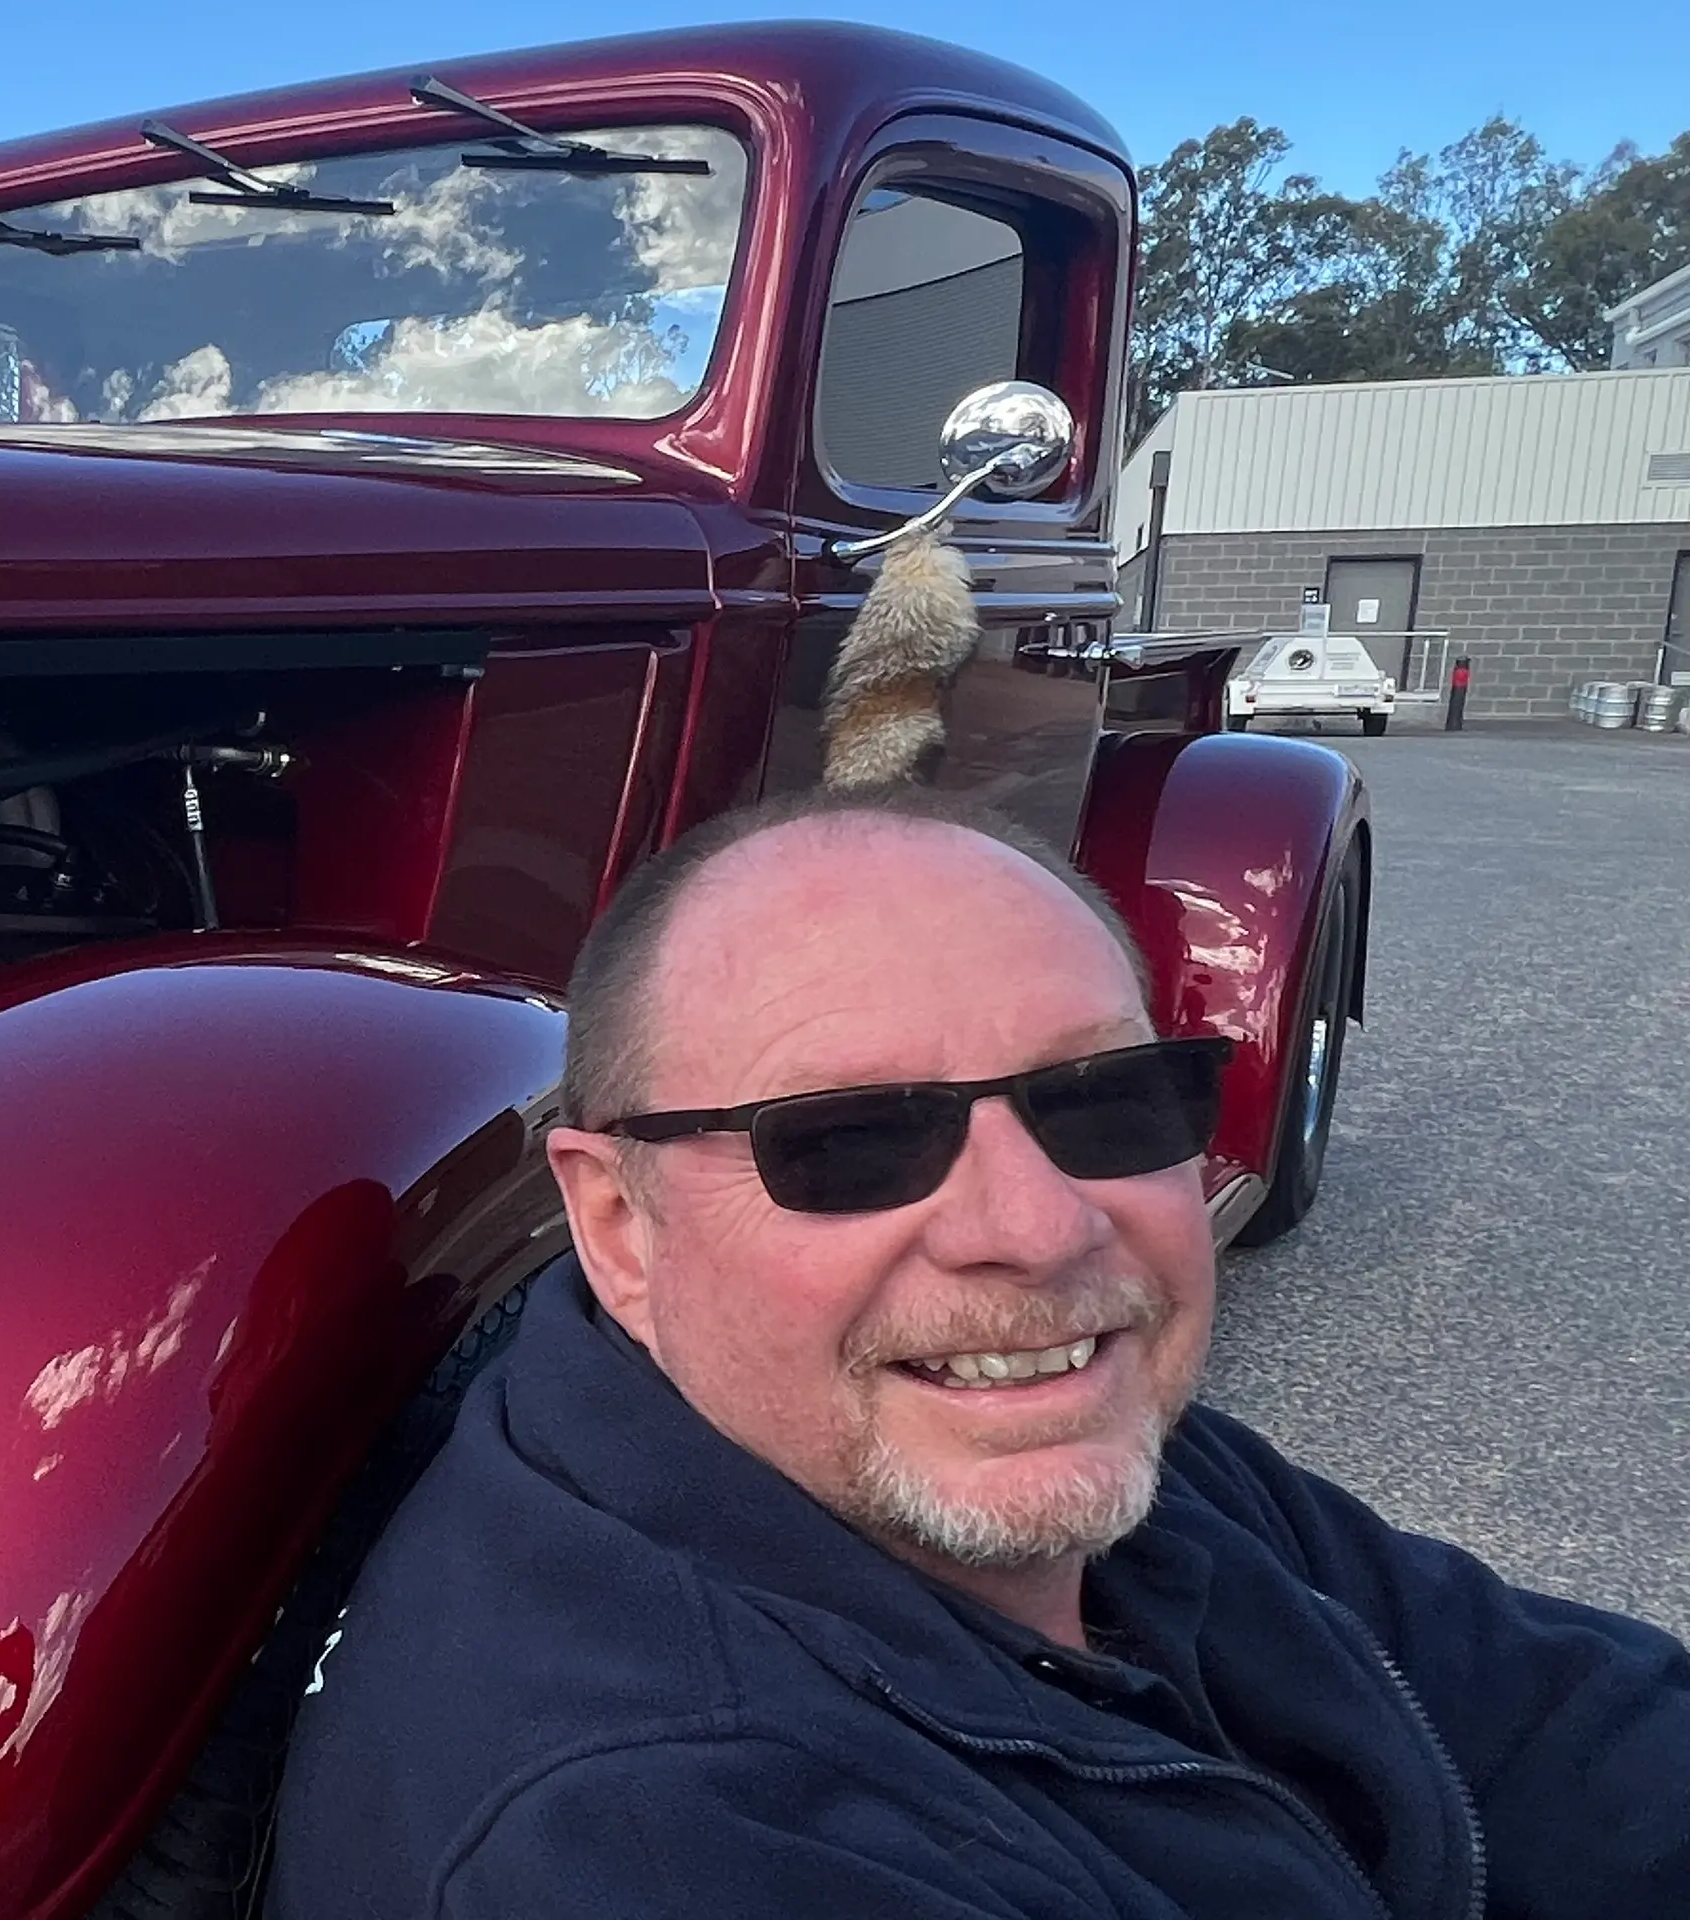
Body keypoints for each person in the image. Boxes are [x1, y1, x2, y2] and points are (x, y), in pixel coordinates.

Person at [269, 792, 1690, 1918]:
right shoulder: (661, 1839)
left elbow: (1566, 1721)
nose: (1038, 1229)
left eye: (1108, 1101)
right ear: (619, 1225)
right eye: (850, 1141)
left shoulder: (1094, 1443)